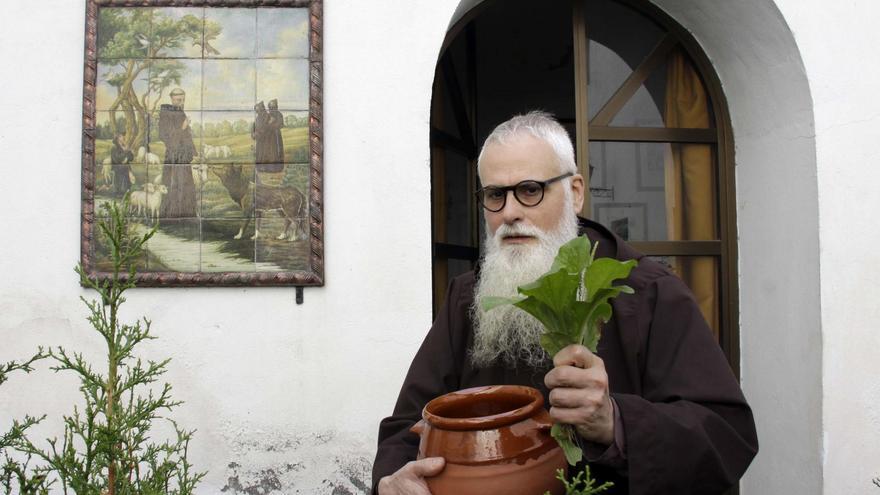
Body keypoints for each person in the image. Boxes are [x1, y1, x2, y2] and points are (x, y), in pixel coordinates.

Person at [372, 111, 758, 495]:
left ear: (575, 192)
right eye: (495, 195)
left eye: (529, 189)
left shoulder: (650, 292)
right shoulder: (466, 297)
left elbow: (726, 433)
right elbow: (406, 428)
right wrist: (395, 479)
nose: (509, 213)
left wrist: (615, 421)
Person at [158, 87, 197, 217]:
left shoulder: (180, 112)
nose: (181, 102)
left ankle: (186, 214)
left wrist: (194, 152)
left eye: (183, 100)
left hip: (183, 156)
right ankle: (172, 216)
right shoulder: (166, 114)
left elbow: (187, 136)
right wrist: (183, 127)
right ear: (172, 99)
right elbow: (165, 136)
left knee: (186, 184)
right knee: (174, 184)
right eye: (178, 100)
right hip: (173, 156)